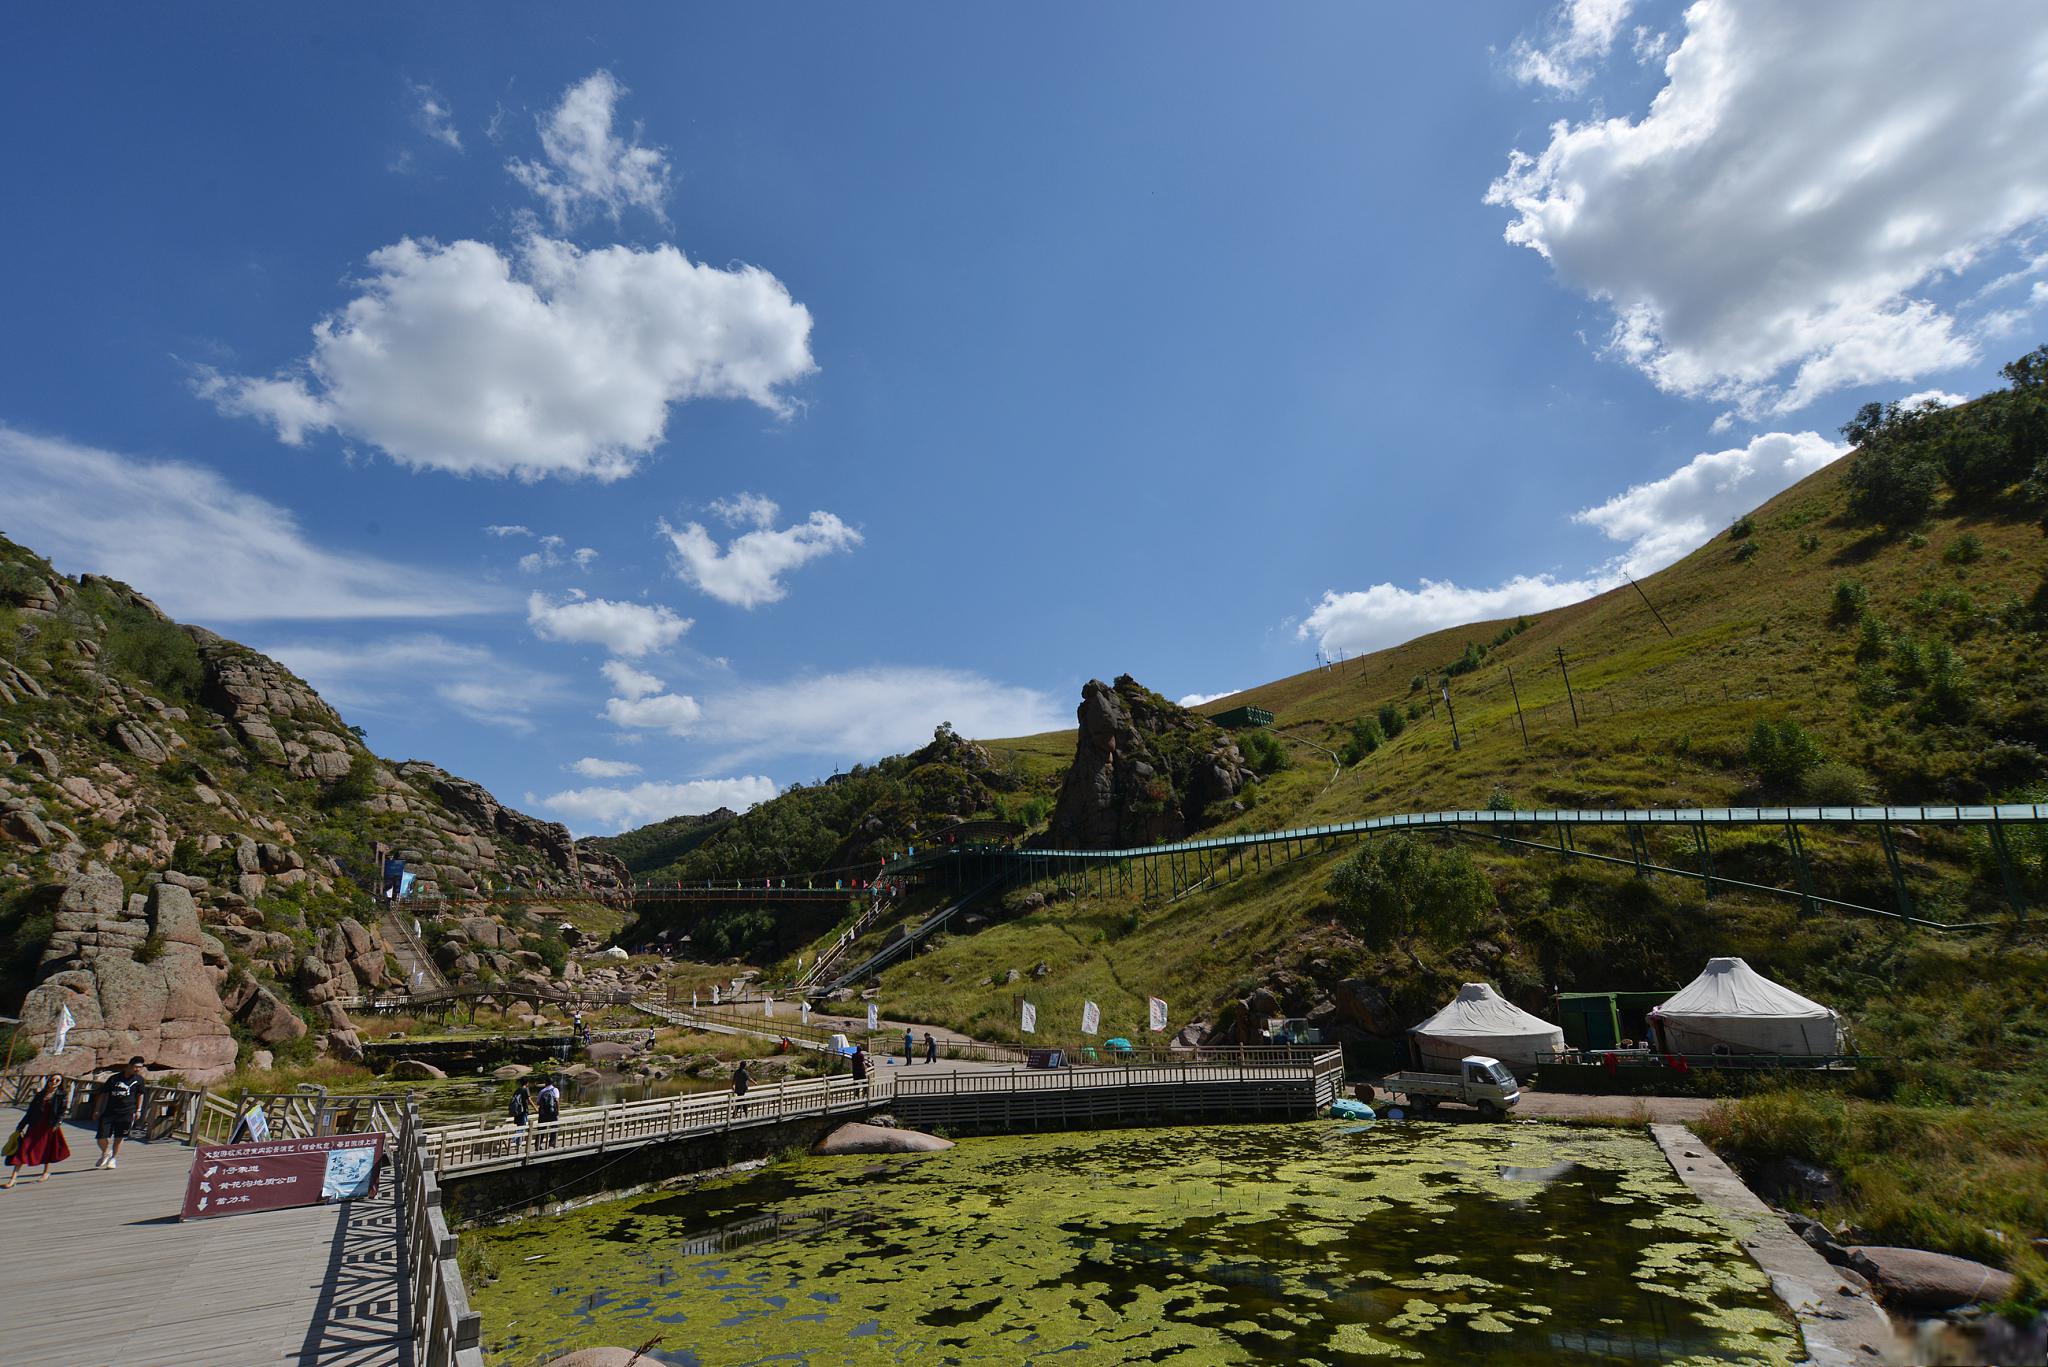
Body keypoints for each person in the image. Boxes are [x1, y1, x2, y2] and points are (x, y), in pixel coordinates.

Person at [5, 1075, 70, 1187]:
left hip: (49, 1126)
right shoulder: (40, 1095)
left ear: (60, 1082)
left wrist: (57, 1124)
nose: (54, 1082)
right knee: (23, 1150)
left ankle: (45, 1172)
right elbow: (30, 1111)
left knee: (46, 1149)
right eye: (52, 1080)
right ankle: (13, 1179)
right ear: (48, 1081)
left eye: (57, 1080)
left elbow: (62, 1112)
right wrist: (21, 1125)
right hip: (35, 1125)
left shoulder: (62, 1096)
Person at [94, 1057, 147, 1169]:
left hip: (127, 1112)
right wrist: (97, 1110)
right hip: (110, 1111)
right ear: (129, 1065)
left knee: (120, 1137)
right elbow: (103, 1094)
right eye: (136, 1067)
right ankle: (106, 1152)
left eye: (140, 1067)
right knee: (101, 1137)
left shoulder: (139, 1080)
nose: (138, 1069)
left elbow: (140, 1094)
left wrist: (138, 1110)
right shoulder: (114, 1078)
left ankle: (113, 1158)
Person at [536, 1077, 560, 1149]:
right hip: (552, 1112)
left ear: (546, 1082)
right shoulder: (555, 1090)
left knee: (541, 1129)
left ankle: (538, 1145)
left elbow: (538, 1102)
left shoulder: (542, 1091)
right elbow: (557, 1101)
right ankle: (551, 1144)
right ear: (552, 1083)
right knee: (554, 1127)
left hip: (543, 1113)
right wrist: (558, 1111)